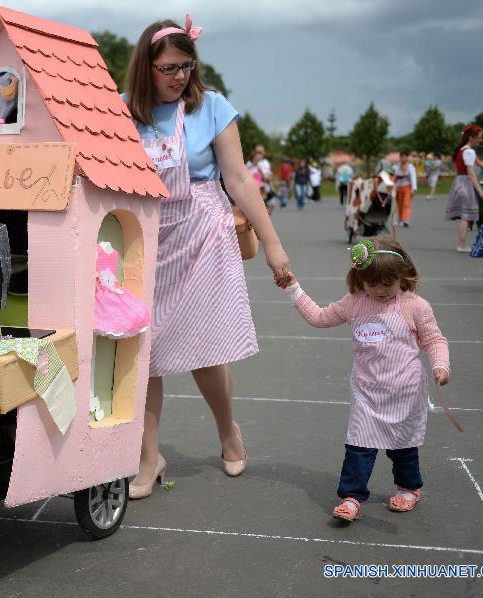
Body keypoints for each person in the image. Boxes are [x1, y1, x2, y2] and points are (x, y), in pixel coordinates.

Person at [122, 14, 291, 499]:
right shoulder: (120, 112)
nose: (180, 76)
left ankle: (227, 431)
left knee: (202, 348)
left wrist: (273, 244)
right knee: (143, 350)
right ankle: (148, 457)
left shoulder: (211, 107)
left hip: (201, 234)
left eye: (186, 65)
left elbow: (237, 180)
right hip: (146, 237)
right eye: (169, 67)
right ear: (146, 67)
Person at [280, 238, 449, 522]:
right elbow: (319, 317)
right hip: (366, 392)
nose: (381, 291)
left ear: (403, 276)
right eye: (373, 284)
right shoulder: (353, 303)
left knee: (403, 446)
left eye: (388, 283)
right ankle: (352, 497)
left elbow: (434, 339)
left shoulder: (415, 306)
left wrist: (440, 364)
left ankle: (409, 488)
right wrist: (292, 288)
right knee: (359, 446)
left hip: (404, 393)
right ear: (360, 279)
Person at [445, 125, 483, 252]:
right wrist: (480, 191)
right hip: (465, 182)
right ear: (472, 137)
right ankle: (462, 244)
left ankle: (462, 244)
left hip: (460, 181)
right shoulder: (469, 151)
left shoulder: (462, 150)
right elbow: (471, 172)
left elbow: (476, 166)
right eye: (479, 137)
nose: (480, 140)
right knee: (466, 216)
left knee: (465, 215)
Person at [393, 151, 417, 227]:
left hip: (407, 187)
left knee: (406, 204)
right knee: (400, 205)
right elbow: (392, 177)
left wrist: (414, 189)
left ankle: (406, 220)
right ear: (400, 158)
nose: (404, 158)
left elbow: (413, 178)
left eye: (405, 156)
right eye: (402, 156)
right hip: (398, 188)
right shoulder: (395, 167)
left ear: (407, 157)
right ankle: (400, 220)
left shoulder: (411, 167)